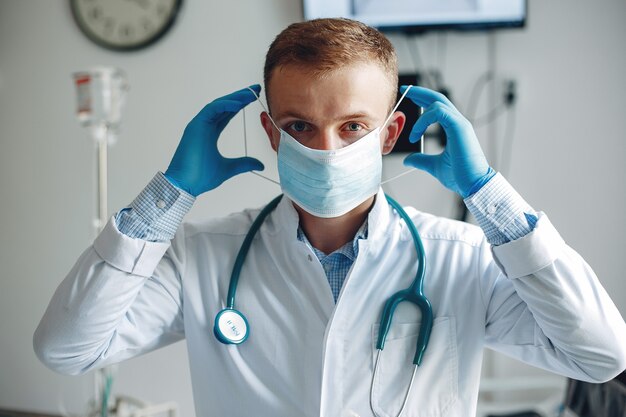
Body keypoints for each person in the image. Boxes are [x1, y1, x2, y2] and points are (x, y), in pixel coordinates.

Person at [34, 18, 626, 417]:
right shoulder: (202, 254)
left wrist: (488, 194)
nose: (325, 148)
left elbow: (601, 355)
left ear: (391, 132)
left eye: (353, 127)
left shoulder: (462, 255)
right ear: (270, 133)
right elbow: (66, 350)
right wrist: (169, 194)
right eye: (299, 127)